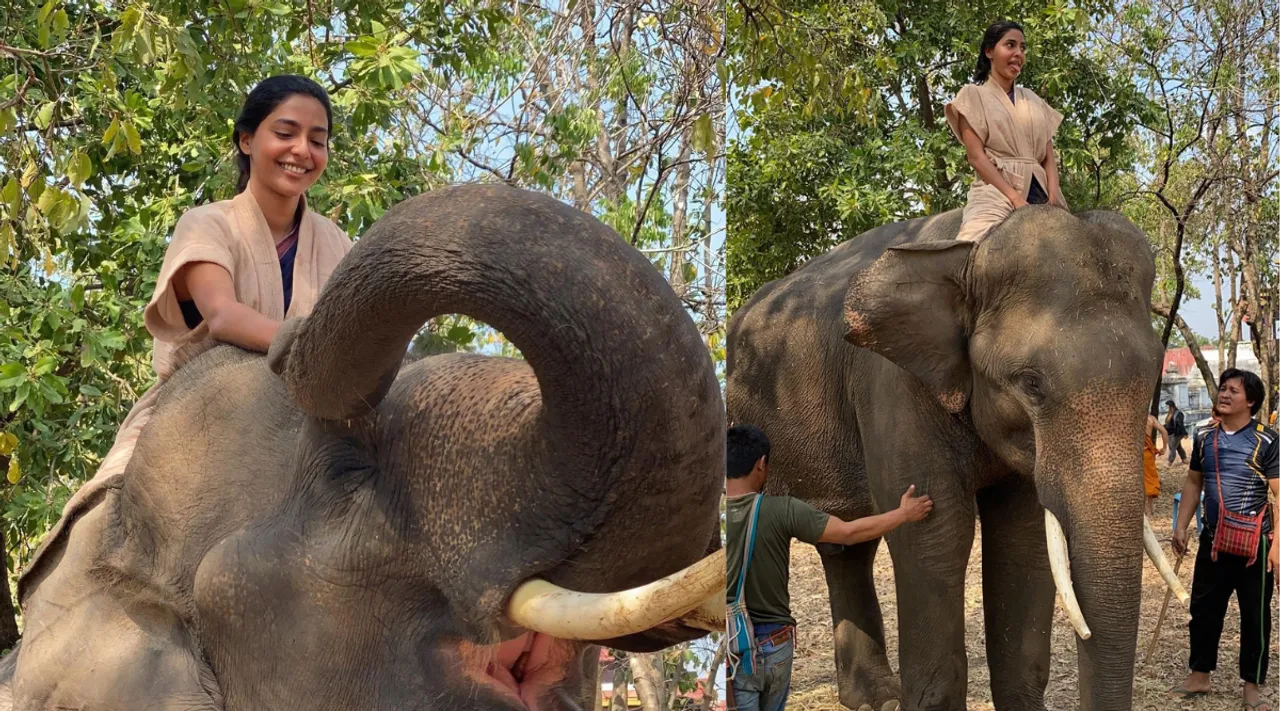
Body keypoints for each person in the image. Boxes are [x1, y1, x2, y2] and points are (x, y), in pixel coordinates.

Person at [18, 75, 353, 598]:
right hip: (196, 412)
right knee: (102, 525)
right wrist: (314, 346)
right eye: (286, 133)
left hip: (307, 427)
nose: (302, 151)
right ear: (247, 140)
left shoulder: (338, 243)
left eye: (318, 139)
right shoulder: (208, 224)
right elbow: (222, 316)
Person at [725, 424, 933, 711]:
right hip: (774, 644)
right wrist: (903, 514)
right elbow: (848, 533)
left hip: (731, 648)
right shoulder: (781, 510)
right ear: (761, 463)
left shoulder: (708, 524)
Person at [1171, 369, 1278, 711]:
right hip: (1213, 540)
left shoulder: (1267, 441)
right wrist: (1181, 525)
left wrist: (1277, 546)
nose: (1225, 394)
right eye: (1223, 388)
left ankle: (1251, 687)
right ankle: (1199, 675)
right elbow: (1193, 482)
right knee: (1203, 610)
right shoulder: (1204, 437)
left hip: (1255, 545)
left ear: (1251, 401)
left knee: (1255, 616)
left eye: (1234, 390)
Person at [943, 20, 1069, 243]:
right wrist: (1015, 199)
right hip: (996, 192)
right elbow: (976, 157)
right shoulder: (972, 95)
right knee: (969, 246)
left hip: (1042, 188)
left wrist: (1053, 197)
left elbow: (1048, 157)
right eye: (1010, 45)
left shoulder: (1033, 100)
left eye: (1022, 48)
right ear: (989, 51)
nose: (1018, 53)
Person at [1144, 413, 1169, 518]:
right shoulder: (1151, 418)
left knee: (1142, 482)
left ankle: (1144, 512)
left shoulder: (1132, 417)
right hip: (1146, 454)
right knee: (1150, 480)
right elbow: (1164, 431)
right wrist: (1164, 447)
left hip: (1135, 454)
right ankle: (1149, 511)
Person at [1166, 399, 1189, 465]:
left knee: (1172, 447)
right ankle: (1184, 459)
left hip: (1177, 433)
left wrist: (1185, 433)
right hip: (1171, 433)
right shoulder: (1170, 413)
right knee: (1178, 447)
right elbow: (1168, 424)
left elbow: (1180, 424)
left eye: (1167, 406)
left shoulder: (1178, 414)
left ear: (1171, 406)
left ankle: (1169, 462)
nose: (1166, 408)